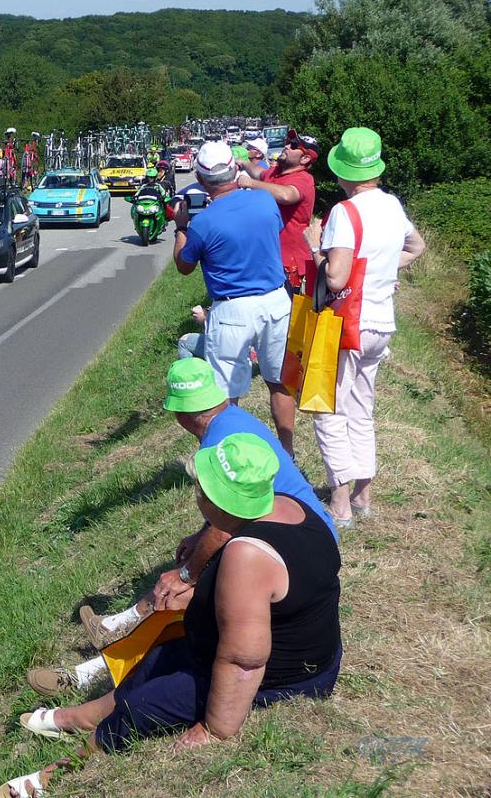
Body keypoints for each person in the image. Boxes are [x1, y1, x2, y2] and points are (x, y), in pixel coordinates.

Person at [3, 434, 341, 797]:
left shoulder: (248, 555)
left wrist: (215, 729)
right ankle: (81, 716)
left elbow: (245, 660)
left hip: (283, 678)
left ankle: (63, 772)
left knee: (141, 708)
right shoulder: (289, 507)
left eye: (200, 489)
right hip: (244, 648)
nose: (196, 494)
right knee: (152, 663)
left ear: (216, 501)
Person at [25, 358, 335, 696]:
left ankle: (94, 672)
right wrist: (199, 540)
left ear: (180, 413)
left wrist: (188, 575)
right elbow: (233, 513)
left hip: (285, 549)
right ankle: (119, 631)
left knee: (182, 600)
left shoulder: (220, 440)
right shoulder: (230, 424)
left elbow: (224, 530)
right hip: (304, 537)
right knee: (185, 585)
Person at [305, 128, 426, 527]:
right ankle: (363, 496)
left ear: (343, 171)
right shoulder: (392, 205)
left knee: (327, 409)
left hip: (347, 326)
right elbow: (416, 247)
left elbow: (336, 278)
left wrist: (314, 248)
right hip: (380, 323)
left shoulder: (344, 212)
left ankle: (339, 504)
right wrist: (382, 271)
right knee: (361, 408)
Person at [173, 141, 296, 457]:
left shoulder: (202, 224)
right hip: (275, 300)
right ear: (236, 169)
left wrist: (180, 228)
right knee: (279, 381)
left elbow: (184, 265)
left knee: (226, 391)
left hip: (232, 309)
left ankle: (231, 454)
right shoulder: (265, 202)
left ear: (201, 181)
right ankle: (286, 450)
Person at [238, 130, 319, 290]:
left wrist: (250, 183)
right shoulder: (276, 173)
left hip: (290, 264)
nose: (287, 146)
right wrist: (244, 163)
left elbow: (287, 195)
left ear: (305, 158)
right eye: (288, 142)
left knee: (289, 312)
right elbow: (260, 173)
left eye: (294, 145)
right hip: (270, 259)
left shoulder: (303, 179)